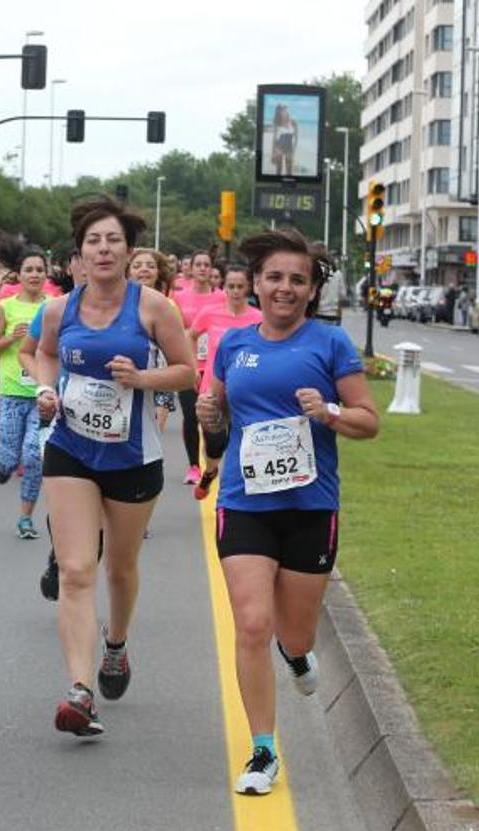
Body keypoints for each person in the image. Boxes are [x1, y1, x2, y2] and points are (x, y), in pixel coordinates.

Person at [196, 228, 378, 794]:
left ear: (311, 288)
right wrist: (209, 419)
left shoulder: (329, 345)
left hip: (310, 505)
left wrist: (327, 411)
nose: (284, 288)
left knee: (293, 633)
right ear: (256, 282)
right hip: (245, 504)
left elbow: (368, 421)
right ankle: (263, 751)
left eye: (297, 279)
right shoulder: (232, 345)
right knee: (251, 622)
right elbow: (220, 424)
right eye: (274, 277)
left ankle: (296, 657)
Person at [28, 195, 195, 737]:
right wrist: (48, 389)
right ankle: (79, 691)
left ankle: (116, 646)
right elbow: (44, 353)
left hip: (133, 457)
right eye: (93, 241)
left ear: (128, 251)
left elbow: (187, 372)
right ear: (80, 253)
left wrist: (142, 379)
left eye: (113, 241)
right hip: (72, 447)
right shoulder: (60, 310)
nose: (103, 249)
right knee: (76, 570)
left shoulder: (153, 309)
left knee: (119, 568)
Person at [0, 245, 49, 539]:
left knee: (34, 456)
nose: (34, 275)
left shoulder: (54, 307)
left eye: (39, 270)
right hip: (11, 394)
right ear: (19, 275)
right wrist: (13, 336)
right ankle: (5, 464)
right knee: (12, 458)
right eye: (29, 270)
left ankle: (25, 518)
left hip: (42, 394)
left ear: (46, 274)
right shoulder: (5, 307)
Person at [188, 264, 262, 499]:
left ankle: (236, 493)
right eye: (231, 286)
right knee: (215, 442)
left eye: (241, 286)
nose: (236, 291)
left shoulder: (258, 317)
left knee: (244, 442)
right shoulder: (210, 313)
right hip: (212, 387)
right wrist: (193, 368)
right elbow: (190, 336)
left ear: (248, 288)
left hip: (245, 390)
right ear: (224, 288)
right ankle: (210, 471)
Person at [173, 250, 227, 485]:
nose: (203, 268)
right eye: (199, 265)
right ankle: (193, 466)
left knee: (213, 417)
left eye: (207, 265)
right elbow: (174, 328)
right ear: (191, 269)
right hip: (189, 363)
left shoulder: (222, 297)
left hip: (215, 366)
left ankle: (212, 461)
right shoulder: (179, 297)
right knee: (190, 414)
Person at [126, 248, 179, 433]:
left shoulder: (168, 306)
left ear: (158, 272)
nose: (144, 269)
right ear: (128, 271)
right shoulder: (118, 304)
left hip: (161, 377)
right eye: (137, 265)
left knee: (153, 434)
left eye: (150, 266)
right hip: (127, 376)